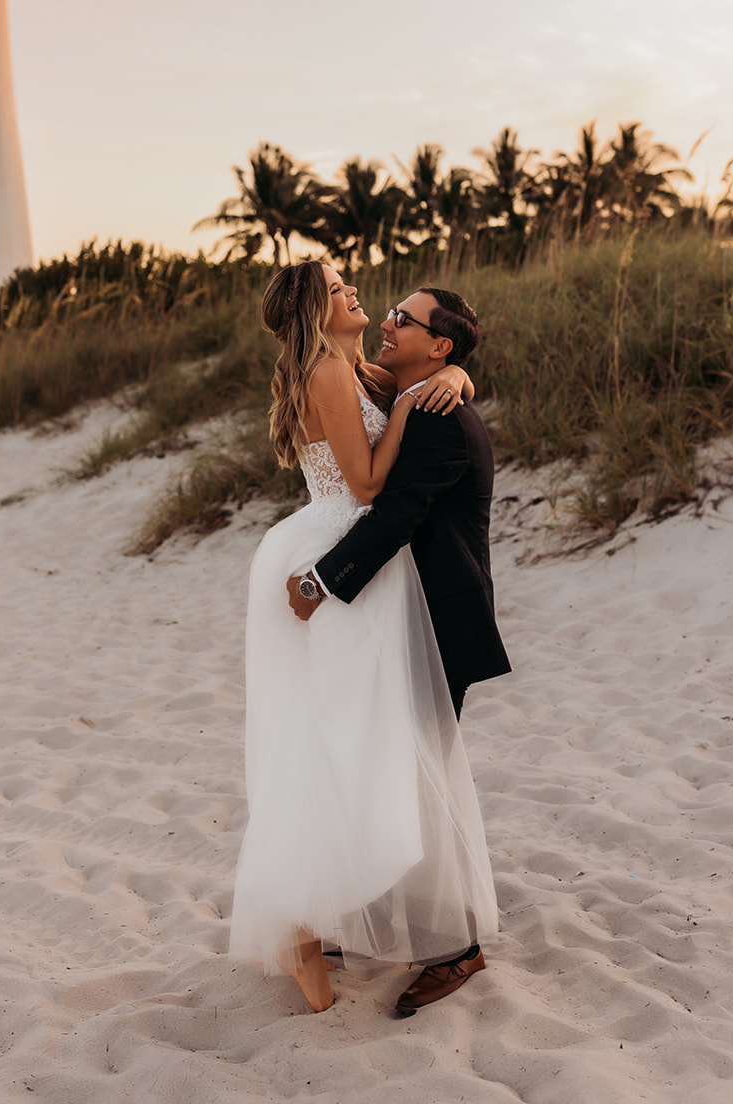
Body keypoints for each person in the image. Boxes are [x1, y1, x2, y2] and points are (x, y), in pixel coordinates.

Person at [229, 261, 499, 1016]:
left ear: (436, 346)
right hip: (347, 569)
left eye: (402, 317)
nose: (373, 307)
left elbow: (401, 472)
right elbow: (372, 488)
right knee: (358, 749)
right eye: (342, 288)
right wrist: (424, 394)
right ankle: (339, 918)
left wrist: (452, 380)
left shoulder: (374, 379)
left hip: (382, 583)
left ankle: (400, 929)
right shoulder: (346, 375)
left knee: (377, 754)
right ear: (317, 309)